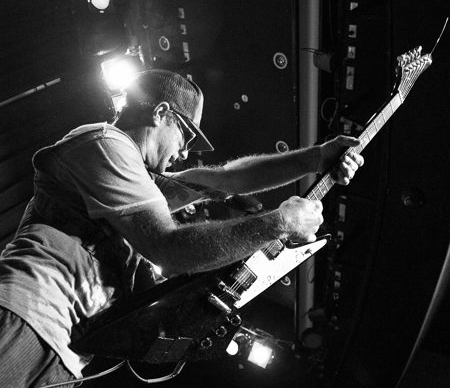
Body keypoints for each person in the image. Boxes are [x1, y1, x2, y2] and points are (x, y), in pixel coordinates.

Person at [0, 69, 364, 387]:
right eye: (186, 136)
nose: (185, 152)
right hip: (29, 312)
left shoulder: (140, 180)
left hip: (64, 356)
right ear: (161, 113)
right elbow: (170, 248)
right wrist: (280, 223)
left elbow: (228, 180)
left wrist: (316, 158)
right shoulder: (105, 144)